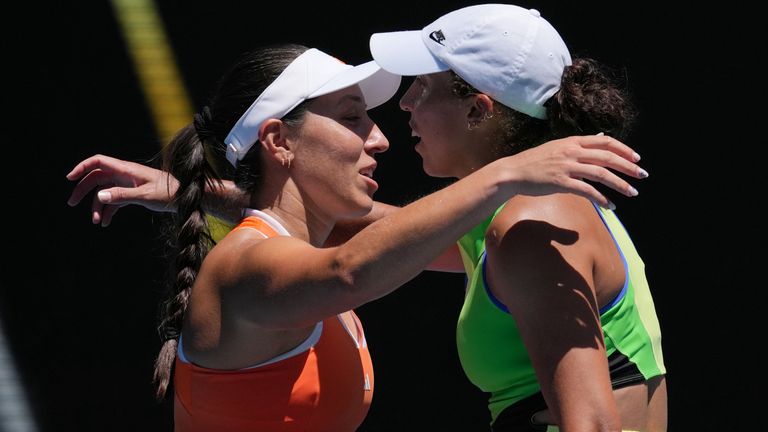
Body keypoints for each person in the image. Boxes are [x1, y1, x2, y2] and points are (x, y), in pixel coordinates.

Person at [67, 41, 648, 432]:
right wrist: (506, 173)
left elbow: (417, 241)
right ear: (279, 141)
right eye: (351, 117)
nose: (380, 139)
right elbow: (350, 270)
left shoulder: (290, 250)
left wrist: (194, 189)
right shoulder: (242, 266)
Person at [367, 4, 667, 431]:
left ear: (478, 110)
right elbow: (382, 234)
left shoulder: (531, 227)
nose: (405, 103)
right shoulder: (520, 212)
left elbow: (594, 426)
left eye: (422, 85)